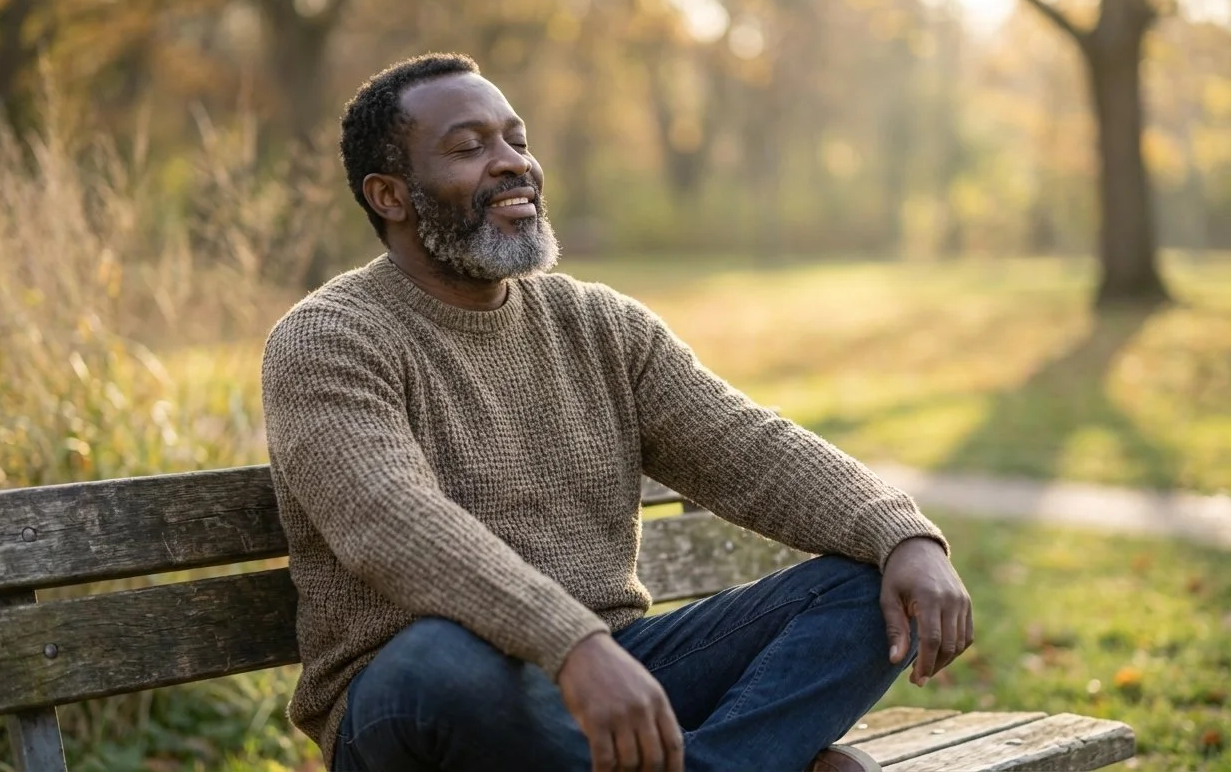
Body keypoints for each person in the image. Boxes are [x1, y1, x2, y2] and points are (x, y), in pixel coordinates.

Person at [260, 53, 973, 772]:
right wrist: (571, 644)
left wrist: (901, 535)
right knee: (439, 659)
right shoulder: (330, 339)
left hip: (614, 667)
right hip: (424, 699)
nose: (512, 165)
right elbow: (390, 522)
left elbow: (747, 446)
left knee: (862, 587)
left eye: (517, 140)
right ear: (390, 196)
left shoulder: (599, 325)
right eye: (469, 147)